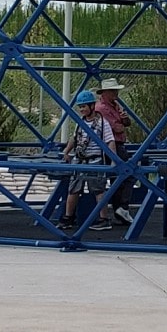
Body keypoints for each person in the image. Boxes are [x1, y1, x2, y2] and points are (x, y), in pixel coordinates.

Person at [60, 88, 115, 231]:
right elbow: (74, 138)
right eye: (80, 107)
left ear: (92, 106)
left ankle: (104, 219)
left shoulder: (103, 123)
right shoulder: (80, 122)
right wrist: (66, 151)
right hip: (79, 160)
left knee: (98, 190)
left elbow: (110, 141)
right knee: (73, 189)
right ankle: (68, 218)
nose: (82, 109)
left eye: (84, 106)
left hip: (95, 161)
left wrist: (114, 160)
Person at [93, 77, 135, 224]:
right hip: (112, 145)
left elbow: (124, 124)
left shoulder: (114, 106)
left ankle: (120, 209)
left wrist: (123, 119)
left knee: (119, 177)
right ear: (105, 92)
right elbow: (115, 128)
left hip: (117, 143)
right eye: (113, 90)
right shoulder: (101, 109)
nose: (116, 93)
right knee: (129, 174)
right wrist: (120, 123)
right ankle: (122, 207)